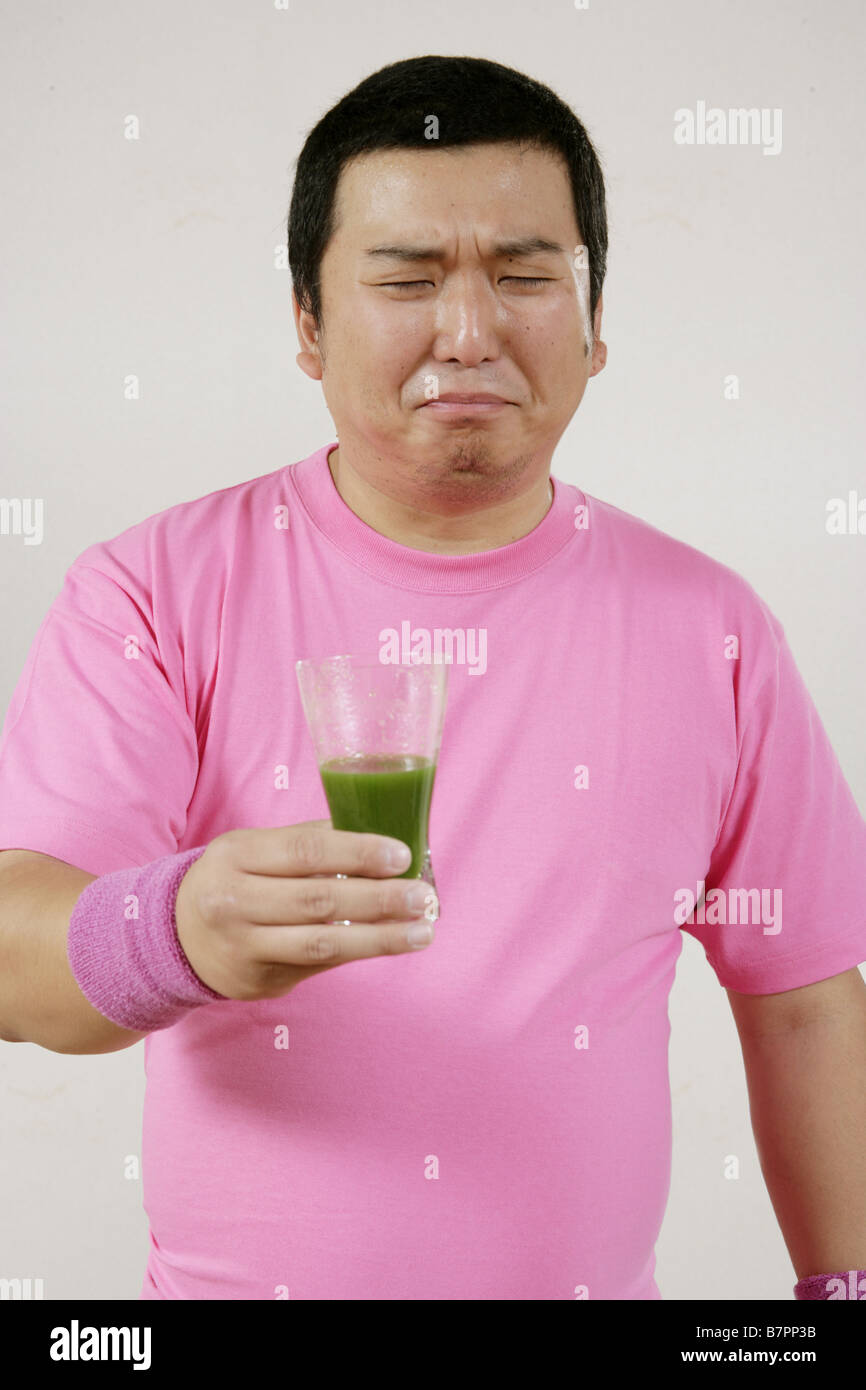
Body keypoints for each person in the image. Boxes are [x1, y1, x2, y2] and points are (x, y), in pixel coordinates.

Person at [1, 54, 865, 1302]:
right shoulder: (151, 593)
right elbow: (22, 959)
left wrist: (839, 1298)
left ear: (594, 321)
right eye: (405, 280)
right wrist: (178, 927)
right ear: (305, 323)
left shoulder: (713, 627)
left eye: (524, 276)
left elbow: (799, 996)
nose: (467, 333)